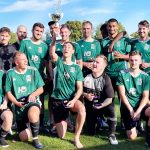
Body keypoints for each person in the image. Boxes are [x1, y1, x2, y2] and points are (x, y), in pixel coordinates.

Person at [49, 31, 86, 149]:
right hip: (57, 100)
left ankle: (76, 138)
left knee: (82, 109)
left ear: (73, 51)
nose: (66, 48)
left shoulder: (76, 68)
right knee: (62, 135)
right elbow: (52, 52)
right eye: (65, 47)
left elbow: (80, 89)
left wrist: (74, 99)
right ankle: (63, 121)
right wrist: (54, 38)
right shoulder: (58, 62)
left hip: (70, 99)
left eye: (69, 47)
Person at [5, 52, 45, 149]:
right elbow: (8, 92)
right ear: (16, 62)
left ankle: (35, 139)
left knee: (33, 113)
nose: (26, 61)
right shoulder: (10, 73)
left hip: (32, 102)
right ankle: (30, 127)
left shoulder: (33, 70)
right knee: (24, 138)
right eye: (23, 59)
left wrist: (33, 94)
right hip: (19, 106)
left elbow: (41, 89)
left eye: (26, 59)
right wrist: (16, 103)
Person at [117, 51, 150, 148]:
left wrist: (138, 111)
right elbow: (122, 95)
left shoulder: (146, 76)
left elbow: (145, 97)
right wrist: (131, 110)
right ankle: (136, 125)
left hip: (140, 106)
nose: (133, 62)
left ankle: (148, 139)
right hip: (128, 106)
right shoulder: (122, 74)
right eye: (131, 60)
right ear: (128, 61)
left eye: (136, 60)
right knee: (131, 137)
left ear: (140, 61)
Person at [83, 55, 118, 145]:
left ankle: (112, 134)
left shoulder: (106, 79)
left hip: (103, 105)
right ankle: (99, 122)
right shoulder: (86, 75)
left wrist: (101, 105)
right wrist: (86, 95)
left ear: (104, 66)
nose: (94, 63)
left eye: (97, 62)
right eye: (94, 61)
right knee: (91, 132)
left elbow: (110, 99)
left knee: (111, 109)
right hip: (90, 105)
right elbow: (78, 91)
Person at [19, 22, 49, 129]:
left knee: (40, 99)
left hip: (40, 77)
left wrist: (48, 75)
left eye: (41, 31)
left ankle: (40, 124)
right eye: (37, 30)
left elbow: (46, 62)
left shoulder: (45, 45)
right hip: (26, 76)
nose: (39, 33)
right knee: (26, 97)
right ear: (32, 30)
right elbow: (19, 57)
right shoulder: (25, 42)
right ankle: (25, 122)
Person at [0, 70, 13, 148]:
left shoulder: (2, 74)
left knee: (8, 117)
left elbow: (7, 92)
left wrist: (5, 103)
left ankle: (1, 137)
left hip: (1, 105)